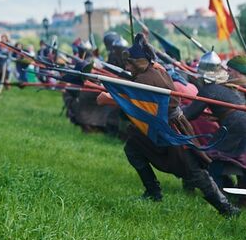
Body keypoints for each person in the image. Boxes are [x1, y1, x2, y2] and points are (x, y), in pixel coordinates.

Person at [99, 34, 238, 217]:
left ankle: (226, 209)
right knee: (133, 148)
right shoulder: (157, 70)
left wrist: (110, 98)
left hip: (170, 129)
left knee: (194, 170)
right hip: (164, 125)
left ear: (139, 63)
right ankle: (153, 192)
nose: (126, 67)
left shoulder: (144, 80)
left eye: (130, 64)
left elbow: (135, 104)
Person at [184, 51, 246, 194]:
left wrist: (175, 111)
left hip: (236, 128)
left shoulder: (209, 90)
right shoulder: (233, 86)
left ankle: (218, 197)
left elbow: (190, 114)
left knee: (214, 159)